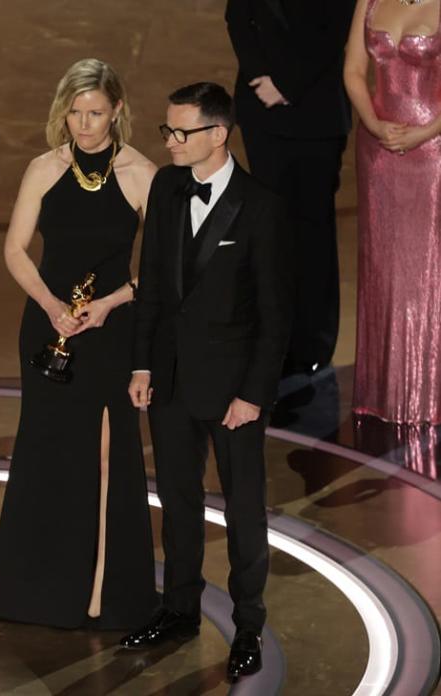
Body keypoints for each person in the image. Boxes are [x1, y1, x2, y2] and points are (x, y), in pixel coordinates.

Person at [120, 83, 290, 682]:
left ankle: (248, 626)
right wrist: (141, 365)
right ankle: (180, 608)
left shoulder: (261, 206)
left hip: (233, 393)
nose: (168, 142)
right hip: (168, 382)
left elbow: (275, 316)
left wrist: (252, 395)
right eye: (166, 131)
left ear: (218, 134)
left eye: (180, 133)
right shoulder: (167, 187)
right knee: (179, 501)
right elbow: (154, 288)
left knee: (244, 511)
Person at [0, 59, 158, 631]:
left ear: (117, 112)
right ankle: (39, 594)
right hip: (50, 328)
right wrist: (53, 307)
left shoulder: (140, 174)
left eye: (96, 114)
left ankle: (103, 595)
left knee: (108, 457)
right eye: (76, 113)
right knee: (48, 451)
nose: (84, 126)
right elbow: (14, 250)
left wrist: (108, 304)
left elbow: (163, 268)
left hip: (110, 333)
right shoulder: (44, 169)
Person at [225, 0, 357, 377]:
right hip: (262, 110)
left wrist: (285, 82)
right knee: (270, 229)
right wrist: (259, 78)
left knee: (313, 228)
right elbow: (238, 17)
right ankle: (273, 339)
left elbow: (334, 32)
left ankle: (313, 342)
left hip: (316, 112)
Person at [344, 0, 441, 425]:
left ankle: (429, 392)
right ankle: (382, 391)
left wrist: (423, 133)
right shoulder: (369, 1)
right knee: (385, 266)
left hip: (433, 151)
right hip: (379, 152)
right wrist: (372, 123)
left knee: (427, 268)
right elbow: (352, 70)